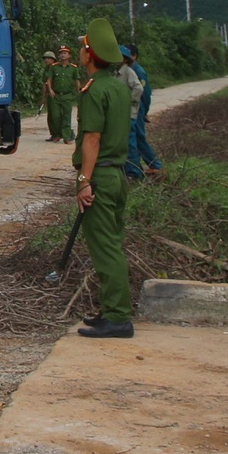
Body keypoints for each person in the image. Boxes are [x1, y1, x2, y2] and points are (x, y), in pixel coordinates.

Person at [73, 18, 135, 339]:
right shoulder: (119, 86)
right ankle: (111, 310)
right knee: (112, 243)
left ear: (90, 54)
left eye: (83, 47)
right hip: (117, 175)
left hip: (100, 177)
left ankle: (119, 318)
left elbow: (92, 139)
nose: (80, 52)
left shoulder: (94, 90)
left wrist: (84, 180)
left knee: (106, 249)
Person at [120, 42, 162, 180]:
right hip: (134, 109)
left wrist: (144, 112)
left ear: (134, 56)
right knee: (134, 138)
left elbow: (145, 93)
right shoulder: (125, 70)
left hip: (137, 108)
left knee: (137, 138)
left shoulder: (137, 71)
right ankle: (137, 166)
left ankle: (153, 164)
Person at [46, 45, 79, 145]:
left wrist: (79, 93)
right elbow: (49, 80)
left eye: (65, 53)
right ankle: (57, 135)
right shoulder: (54, 67)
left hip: (67, 95)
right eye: (61, 53)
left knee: (66, 117)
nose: (63, 55)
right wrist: (50, 90)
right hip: (55, 95)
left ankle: (67, 137)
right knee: (55, 116)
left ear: (69, 55)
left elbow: (76, 81)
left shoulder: (73, 68)